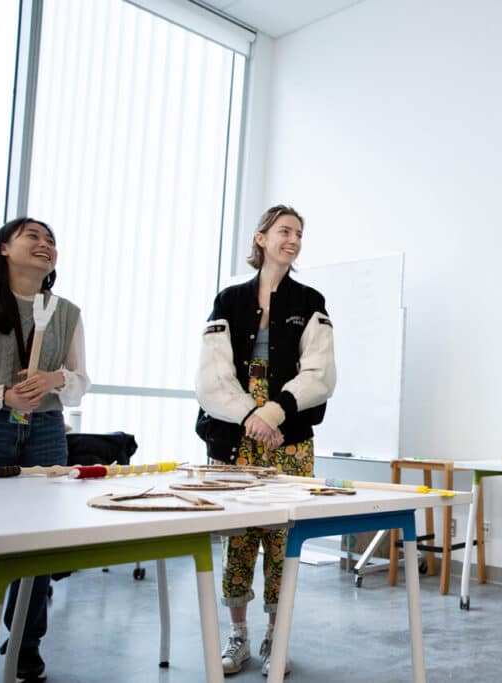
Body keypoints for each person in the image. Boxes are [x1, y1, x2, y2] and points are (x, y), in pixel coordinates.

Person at [195, 204, 336, 676]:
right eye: (284, 230)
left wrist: (274, 412)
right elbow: (212, 377)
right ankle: (238, 637)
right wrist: (251, 415)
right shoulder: (229, 300)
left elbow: (320, 374)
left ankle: (278, 635)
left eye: (299, 232)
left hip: (289, 433)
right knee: (239, 535)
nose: (293, 239)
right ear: (260, 238)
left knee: (284, 537)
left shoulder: (311, 300)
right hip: (236, 434)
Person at [0, 217, 90, 682]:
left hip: (44, 429)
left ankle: (25, 644)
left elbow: (81, 381)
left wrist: (55, 379)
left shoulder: (66, 312)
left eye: (52, 241)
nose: (45, 246)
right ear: (4, 248)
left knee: (40, 541)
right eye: (33, 237)